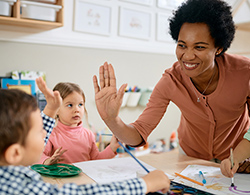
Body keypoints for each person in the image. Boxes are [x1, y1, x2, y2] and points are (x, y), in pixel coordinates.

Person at [93, 0, 250, 167]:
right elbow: (139, 133)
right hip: (190, 157)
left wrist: (239, 157)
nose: (188, 56)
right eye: (182, 45)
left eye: (199, 47)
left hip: (239, 156)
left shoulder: (244, 73)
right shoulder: (171, 80)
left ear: (218, 48)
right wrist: (112, 119)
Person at [0, 77, 170, 195]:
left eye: (80, 104)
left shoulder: (11, 172)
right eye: (39, 130)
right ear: (15, 153)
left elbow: (96, 158)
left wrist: (51, 110)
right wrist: (144, 184)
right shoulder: (16, 187)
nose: (45, 132)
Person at [38, 81, 120, 165]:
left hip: (85, 177)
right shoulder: (50, 135)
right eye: (70, 105)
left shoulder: (88, 134)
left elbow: (96, 160)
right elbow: (39, 155)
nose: (77, 109)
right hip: (61, 178)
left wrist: (112, 148)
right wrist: (47, 161)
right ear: (57, 109)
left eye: (80, 104)